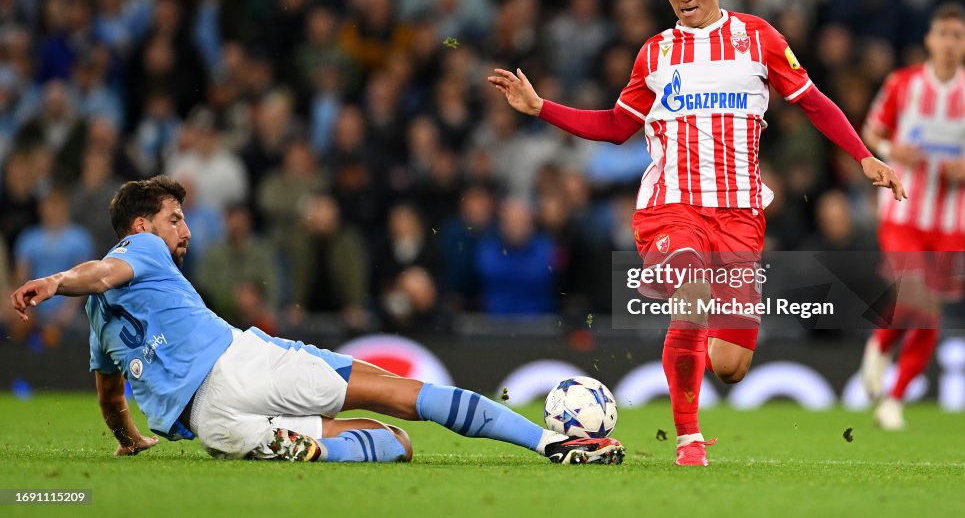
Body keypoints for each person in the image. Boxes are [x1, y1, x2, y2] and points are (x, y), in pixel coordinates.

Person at [488, 0, 905, 466]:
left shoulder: (759, 39)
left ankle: (695, 339)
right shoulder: (655, 54)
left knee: (730, 364)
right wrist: (541, 108)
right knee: (691, 292)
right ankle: (689, 440)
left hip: (739, 215)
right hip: (669, 208)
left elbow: (813, 101)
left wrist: (864, 156)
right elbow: (616, 127)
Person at [9, 176, 624, 466]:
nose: (186, 231)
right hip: (244, 364)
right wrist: (57, 279)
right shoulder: (135, 251)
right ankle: (553, 442)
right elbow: (97, 271)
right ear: (143, 226)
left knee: (390, 447)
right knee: (406, 402)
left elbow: (109, 392)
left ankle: (314, 446)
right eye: (175, 218)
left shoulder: (98, 321)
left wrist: (128, 438)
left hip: (215, 425)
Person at [858, 3, 965, 430]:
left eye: (957, 36)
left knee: (930, 313)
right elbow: (871, 132)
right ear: (929, 39)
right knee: (915, 295)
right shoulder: (902, 84)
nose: (949, 43)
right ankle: (882, 348)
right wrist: (891, 151)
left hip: (950, 220)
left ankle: (893, 399)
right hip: (902, 209)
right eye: (942, 34)